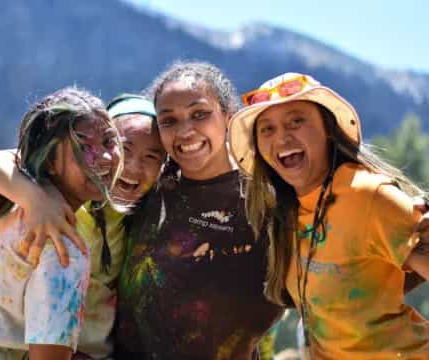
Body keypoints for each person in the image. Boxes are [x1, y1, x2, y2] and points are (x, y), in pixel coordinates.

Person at [228, 72, 429, 358]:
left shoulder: (367, 194)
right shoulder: (286, 212)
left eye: (296, 121)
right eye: (267, 129)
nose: (282, 136)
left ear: (329, 129)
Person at [0, 93, 165, 359]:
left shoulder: (147, 212)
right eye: (125, 148)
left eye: (108, 142)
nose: (105, 157)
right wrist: (37, 199)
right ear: (49, 161)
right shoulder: (61, 234)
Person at [115, 61, 283, 359]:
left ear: (229, 118)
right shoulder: (149, 187)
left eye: (200, 114)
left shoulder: (264, 203)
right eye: (169, 120)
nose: (185, 131)